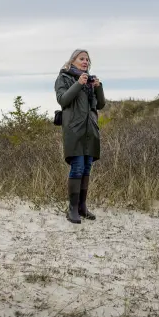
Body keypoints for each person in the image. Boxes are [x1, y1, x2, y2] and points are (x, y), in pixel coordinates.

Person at [54, 49, 106, 224]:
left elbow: (101, 104)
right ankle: (72, 209)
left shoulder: (89, 80)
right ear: (72, 61)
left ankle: (83, 207)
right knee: (77, 167)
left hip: (90, 129)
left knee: (86, 168)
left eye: (87, 60)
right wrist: (78, 83)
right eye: (81, 59)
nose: (85, 62)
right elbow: (63, 100)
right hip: (74, 129)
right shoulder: (64, 78)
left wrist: (98, 87)